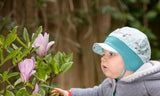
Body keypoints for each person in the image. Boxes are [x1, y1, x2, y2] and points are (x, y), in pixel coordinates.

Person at [52, 27, 160, 96]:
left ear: (130, 60)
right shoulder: (110, 83)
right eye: (103, 54)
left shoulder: (149, 83)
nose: (103, 58)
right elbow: (96, 93)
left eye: (111, 54)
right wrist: (70, 93)